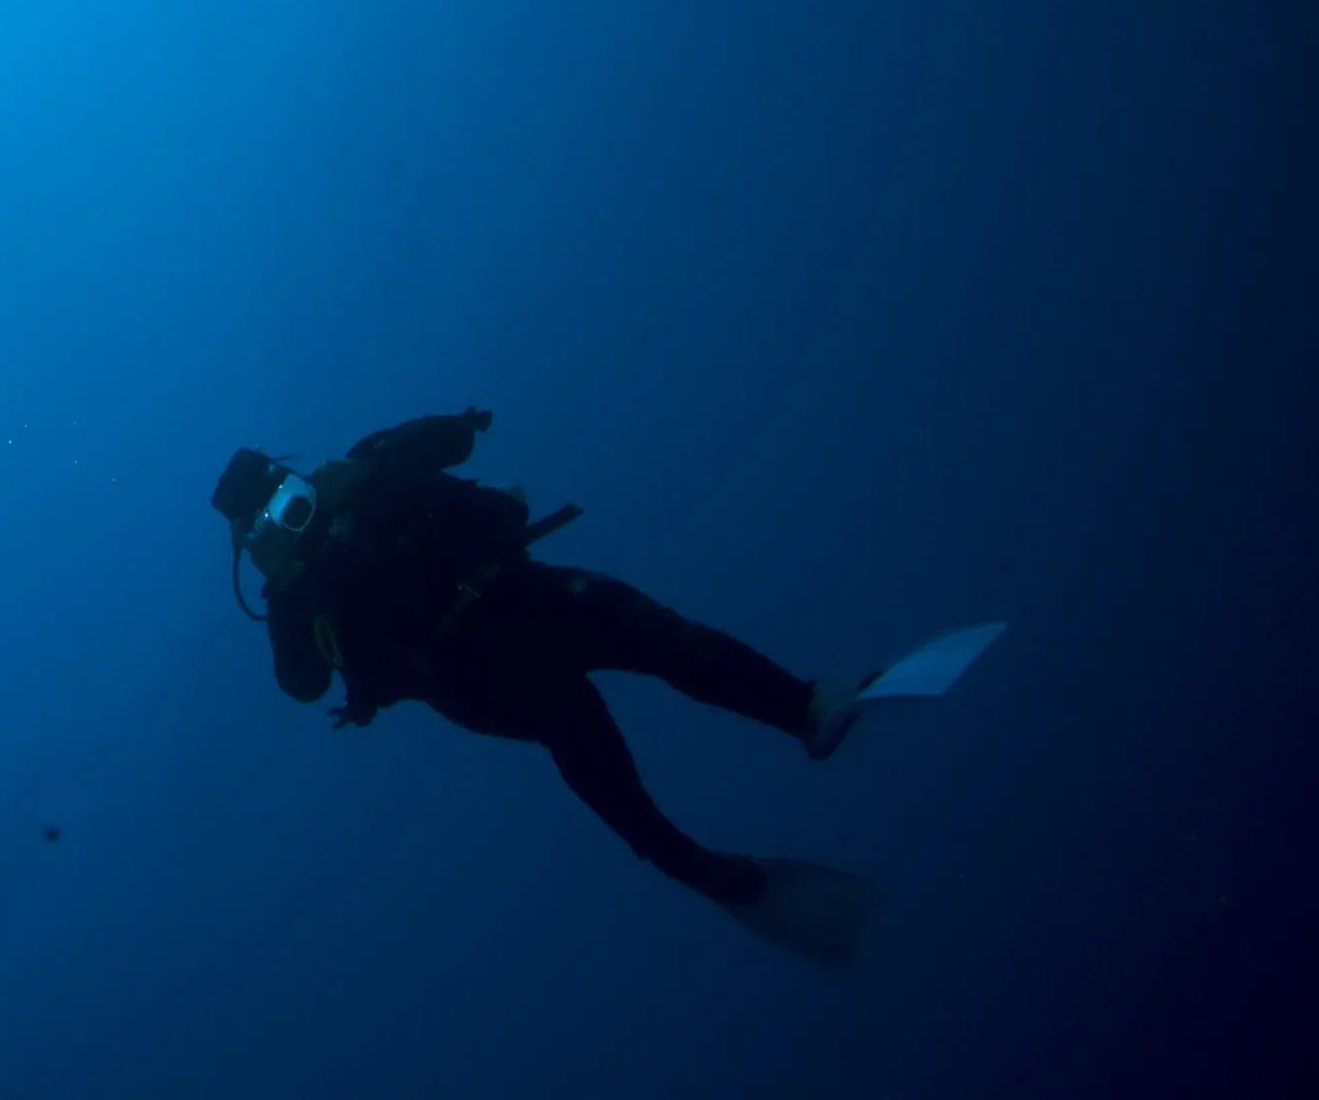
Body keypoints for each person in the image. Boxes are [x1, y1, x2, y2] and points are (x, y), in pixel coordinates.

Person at [212, 411, 1002, 964]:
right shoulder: (289, 592)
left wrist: (375, 462)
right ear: (249, 541)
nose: (289, 516)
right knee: (597, 731)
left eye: (286, 495)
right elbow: (302, 684)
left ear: (294, 472)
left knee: (659, 650)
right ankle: (699, 855)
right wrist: (286, 587)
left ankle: (806, 712)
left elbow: (457, 436)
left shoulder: (361, 472)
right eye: (269, 521)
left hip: (511, 614)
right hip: (476, 667)